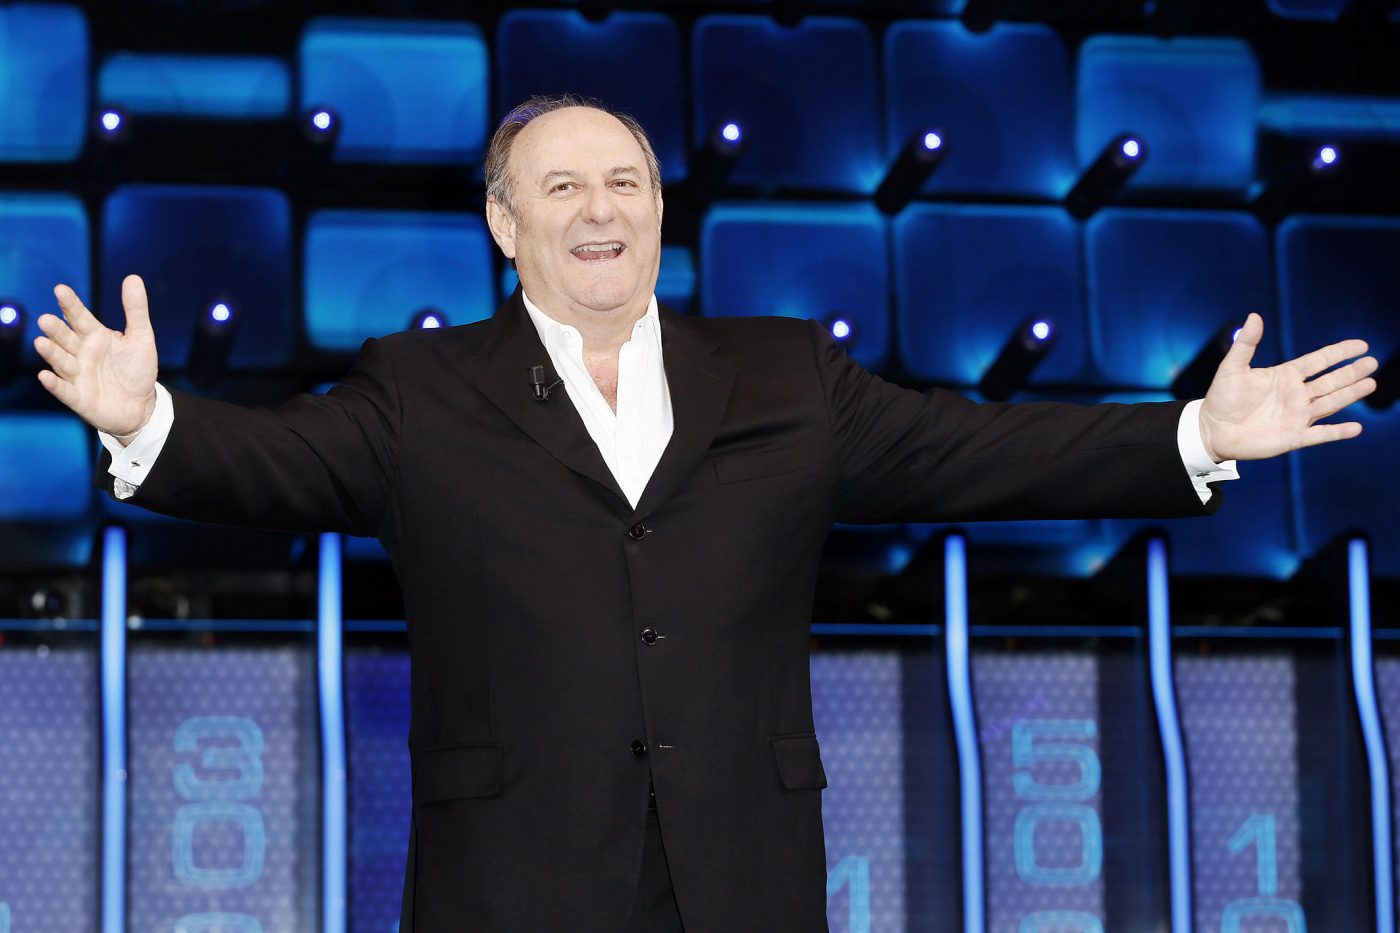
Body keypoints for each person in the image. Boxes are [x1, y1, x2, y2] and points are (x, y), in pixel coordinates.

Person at [34, 95, 1377, 932]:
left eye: (623, 183)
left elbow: (976, 452)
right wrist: (148, 421)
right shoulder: (423, 390)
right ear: (504, 226)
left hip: (744, 870)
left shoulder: (785, 376)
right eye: (560, 187)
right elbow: (275, 465)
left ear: (660, 211)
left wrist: (1196, 433)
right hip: (512, 877)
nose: (598, 210)